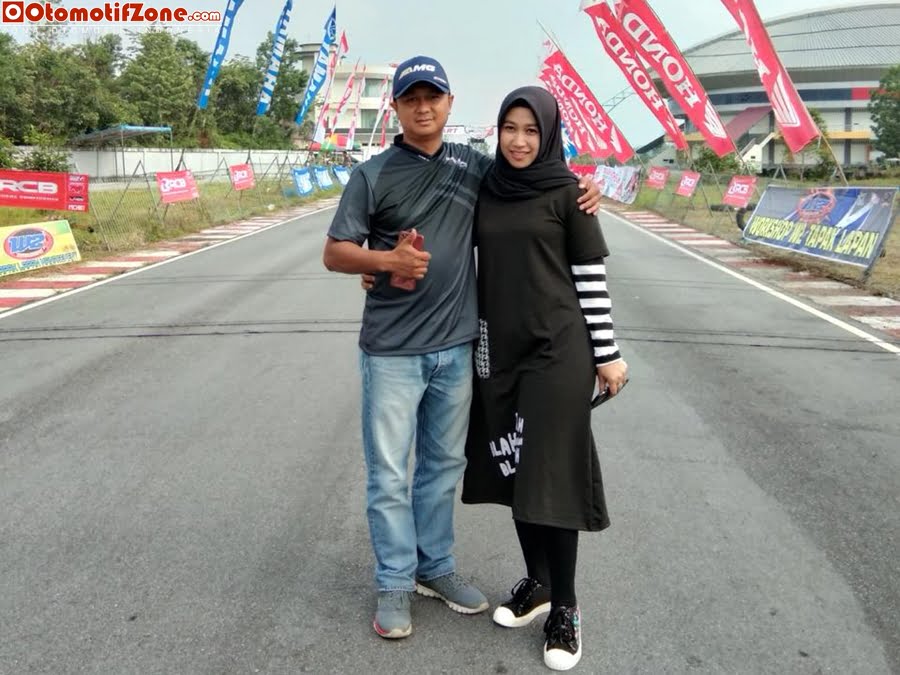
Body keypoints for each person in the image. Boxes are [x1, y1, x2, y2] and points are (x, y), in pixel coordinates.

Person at [322, 56, 602, 640]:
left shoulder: (476, 168)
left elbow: (532, 176)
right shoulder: (371, 174)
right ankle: (394, 581)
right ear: (396, 107)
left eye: (433, 97)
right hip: (392, 350)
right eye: (411, 98)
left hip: (457, 349)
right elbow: (336, 252)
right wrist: (383, 261)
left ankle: (435, 566)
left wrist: (583, 188)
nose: (423, 107)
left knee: (444, 467)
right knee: (390, 474)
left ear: (450, 104)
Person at [461, 86, 628, 671]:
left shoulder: (569, 193)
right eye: (510, 128)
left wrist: (608, 355)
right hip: (496, 349)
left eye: (532, 130)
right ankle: (538, 583)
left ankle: (567, 608)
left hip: (558, 351)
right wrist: (379, 269)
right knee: (514, 467)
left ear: (550, 134)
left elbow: (590, 280)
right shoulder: (487, 188)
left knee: (550, 474)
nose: (519, 140)